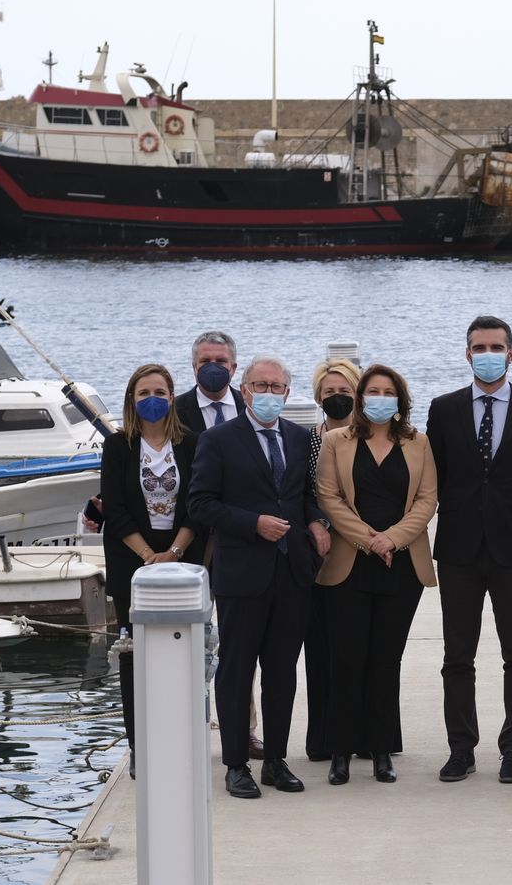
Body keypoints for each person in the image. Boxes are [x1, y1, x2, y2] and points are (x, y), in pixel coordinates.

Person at [188, 357, 331, 799]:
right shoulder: (217, 440)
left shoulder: (300, 436)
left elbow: (305, 494)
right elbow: (200, 504)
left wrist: (318, 522)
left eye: (277, 386)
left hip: (291, 572)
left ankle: (275, 761)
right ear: (245, 390)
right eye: (260, 385)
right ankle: (235, 764)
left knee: (282, 672)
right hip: (242, 573)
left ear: (288, 393)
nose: (269, 393)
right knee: (235, 670)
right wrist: (254, 523)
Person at [427, 315, 512, 784]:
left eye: (496, 346)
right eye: (479, 347)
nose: (488, 354)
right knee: (456, 655)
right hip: (460, 549)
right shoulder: (443, 410)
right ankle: (461, 747)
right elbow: (433, 479)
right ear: (467, 354)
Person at [315, 364, 437, 785]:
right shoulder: (336, 441)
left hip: (401, 565)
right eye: (373, 391)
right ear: (361, 398)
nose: (380, 398)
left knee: (386, 659)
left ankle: (383, 750)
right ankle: (340, 752)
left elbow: (426, 501)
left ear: (400, 400)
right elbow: (329, 497)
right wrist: (370, 540)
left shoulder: (419, 443)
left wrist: (392, 540)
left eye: (389, 392)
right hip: (350, 563)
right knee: (346, 657)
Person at [99, 363, 205, 767]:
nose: (152, 400)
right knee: (134, 659)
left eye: (160, 392)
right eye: (144, 393)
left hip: (184, 561)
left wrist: (174, 553)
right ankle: (140, 747)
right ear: (131, 399)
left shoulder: (192, 444)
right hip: (133, 567)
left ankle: (182, 743)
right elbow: (116, 508)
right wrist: (148, 557)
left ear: (172, 397)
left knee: (185, 654)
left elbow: (198, 503)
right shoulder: (118, 445)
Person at [171, 329, 263, 761]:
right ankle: (184, 733)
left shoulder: (254, 407)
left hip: (244, 540)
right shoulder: (175, 412)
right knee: (184, 642)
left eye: (222, 360)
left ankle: (243, 732)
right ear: (193, 366)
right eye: (206, 359)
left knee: (239, 643)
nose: (214, 366)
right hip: (191, 542)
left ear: (234, 366)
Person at [303, 358, 362, 761]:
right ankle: (323, 737)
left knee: (364, 649)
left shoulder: (374, 438)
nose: (337, 398)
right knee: (322, 650)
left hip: (366, 553)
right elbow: (302, 494)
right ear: (317, 397)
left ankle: (367, 737)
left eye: (344, 391)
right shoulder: (307, 440)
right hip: (320, 556)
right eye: (329, 393)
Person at [175, 330, 244, 435]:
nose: (213, 368)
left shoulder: (249, 405)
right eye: (205, 361)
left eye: (220, 361)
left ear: (233, 368)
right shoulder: (174, 410)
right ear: (194, 368)